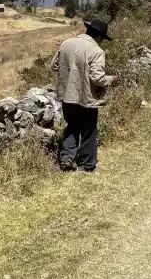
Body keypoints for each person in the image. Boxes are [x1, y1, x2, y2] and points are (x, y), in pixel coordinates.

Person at [50, 19, 117, 172]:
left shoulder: (66, 43)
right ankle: (87, 165)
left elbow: (54, 66)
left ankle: (67, 159)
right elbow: (97, 78)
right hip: (86, 98)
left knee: (72, 126)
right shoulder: (96, 51)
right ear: (99, 37)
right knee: (89, 130)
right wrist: (112, 79)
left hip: (67, 95)